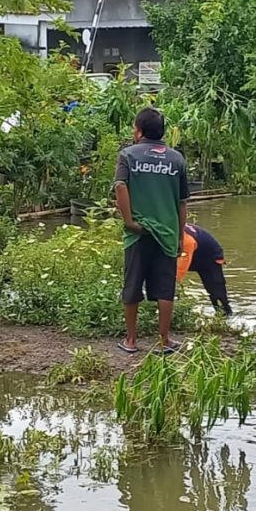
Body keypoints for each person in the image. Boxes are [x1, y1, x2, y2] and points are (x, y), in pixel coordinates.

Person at [114, 107, 189, 354]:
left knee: (132, 285)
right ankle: (164, 340)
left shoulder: (128, 155)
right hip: (167, 233)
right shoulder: (177, 159)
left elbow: (120, 187)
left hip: (138, 232)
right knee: (165, 288)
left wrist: (129, 221)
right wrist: (179, 236)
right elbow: (181, 202)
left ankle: (131, 341)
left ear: (139, 130)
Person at [176, 223, 233, 317]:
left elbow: (177, 273)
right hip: (192, 251)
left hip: (209, 256)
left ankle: (225, 315)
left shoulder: (185, 239)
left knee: (216, 291)